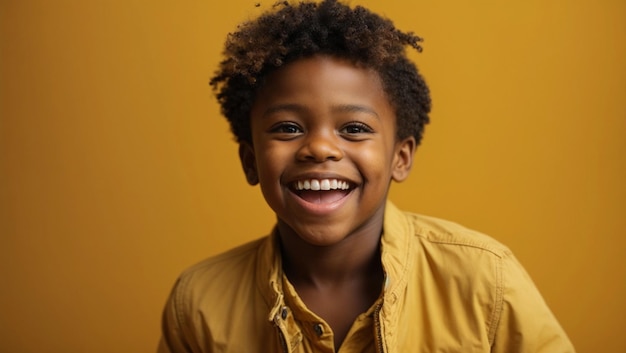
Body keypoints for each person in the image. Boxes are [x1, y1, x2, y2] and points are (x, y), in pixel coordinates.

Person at [157, 1, 575, 352]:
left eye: (354, 128)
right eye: (287, 127)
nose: (320, 148)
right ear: (250, 161)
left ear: (400, 157)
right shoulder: (198, 304)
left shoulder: (485, 280)